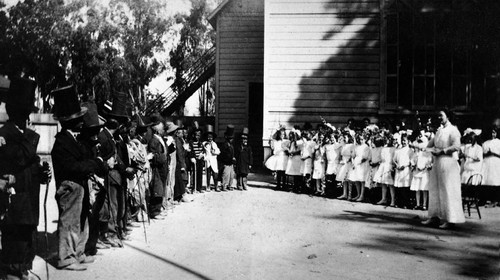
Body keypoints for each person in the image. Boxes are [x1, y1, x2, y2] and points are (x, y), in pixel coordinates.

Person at [0, 77, 51, 279]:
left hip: (28, 202)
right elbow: (20, 159)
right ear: (18, 114)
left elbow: (29, 166)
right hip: (15, 204)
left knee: (27, 241)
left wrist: (42, 172)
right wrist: (31, 136)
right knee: (15, 243)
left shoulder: (24, 135)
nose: (28, 117)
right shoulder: (5, 135)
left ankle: (22, 270)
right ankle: (13, 272)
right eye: (26, 113)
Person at [51, 85, 106, 270]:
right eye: (78, 119)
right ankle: (66, 257)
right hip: (69, 187)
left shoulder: (73, 139)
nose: (82, 122)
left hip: (79, 185)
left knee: (81, 219)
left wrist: (92, 163)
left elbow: (83, 161)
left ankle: (78, 252)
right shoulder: (62, 142)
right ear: (69, 122)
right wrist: (95, 163)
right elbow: (74, 166)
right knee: (70, 222)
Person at [422, 110, 465, 229]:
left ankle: (451, 219)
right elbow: (429, 145)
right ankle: (434, 217)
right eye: (438, 115)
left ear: (448, 116)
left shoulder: (453, 130)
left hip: (448, 163)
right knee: (435, 189)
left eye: (441, 115)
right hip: (437, 163)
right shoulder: (439, 130)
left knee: (448, 189)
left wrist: (441, 151)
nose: (439, 117)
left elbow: (456, 146)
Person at [148, 114, 168, 219]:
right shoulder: (153, 140)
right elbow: (153, 154)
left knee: (161, 188)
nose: (162, 127)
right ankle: (154, 211)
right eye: (160, 125)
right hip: (157, 167)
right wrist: (161, 157)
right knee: (157, 189)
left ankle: (159, 208)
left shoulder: (160, 138)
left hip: (163, 167)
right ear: (155, 128)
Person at [410, 133, 432, 210]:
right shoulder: (416, 153)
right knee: (417, 189)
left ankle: (424, 204)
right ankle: (418, 204)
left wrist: (425, 167)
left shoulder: (428, 153)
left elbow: (429, 161)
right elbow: (412, 160)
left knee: (424, 189)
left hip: (424, 172)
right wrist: (414, 165)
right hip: (417, 171)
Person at [374, 134, 396, 206]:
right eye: (386, 139)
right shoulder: (383, 148)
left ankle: (392, 200)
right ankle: (384, 199)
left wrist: (392, 166)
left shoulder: (394, 148)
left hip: (389, 166)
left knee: (390, 184)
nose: (388, 141)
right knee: (383, 183)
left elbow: (394, 159)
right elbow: (381, 158)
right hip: (383, 166)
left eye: (389, 139)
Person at [348, 131, 370, 202]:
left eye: (362, 139)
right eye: (359, 139)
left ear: (365, 139)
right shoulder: (356, 146)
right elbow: (354, 155)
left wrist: (358, 162)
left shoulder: (366, 147)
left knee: (362, 180)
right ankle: (358, 194)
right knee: (357, 179)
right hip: (356, 163)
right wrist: (354, 162)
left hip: (362, 164)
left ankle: (362, 195)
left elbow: (365, 157)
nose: (360, 141)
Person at [481, 127, 500, 206]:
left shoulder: (499, 142)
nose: (492, 134)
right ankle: (485, 199)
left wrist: (493, 153)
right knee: (486, 181)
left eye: (494, 132)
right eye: (491, 132)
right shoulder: (485, 143)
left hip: (495, 162)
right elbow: (481, 154)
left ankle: (495, 200)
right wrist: (487, 154)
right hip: (486, 162)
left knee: (495, 181)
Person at [393, 134, 413, 208]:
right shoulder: (398, 150)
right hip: (399, 169)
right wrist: (397, 165)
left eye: (404, 140)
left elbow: (411, 160)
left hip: (406, 170)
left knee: (405, 186)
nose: (403, 142)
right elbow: (394, 160)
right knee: (399, 187)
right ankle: (399, 202)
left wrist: (405, 166)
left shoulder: (410, 150)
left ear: (408, 141)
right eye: (402, 140)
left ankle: (406, 203)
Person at [336, 133, 354, 199]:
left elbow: (352, 155)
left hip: (349, 163)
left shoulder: (351, 145)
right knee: (344, 179)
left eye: (346, 137)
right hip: (343, 163)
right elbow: (341, 155)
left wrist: (348, 160)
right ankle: (344, 194)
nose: (345, 139)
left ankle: (349, 195)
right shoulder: (343, 146)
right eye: (344, 138)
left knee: (349, 179)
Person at [219, 125, 237, 191]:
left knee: (231, 174)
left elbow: (232, 153)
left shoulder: (231, 145)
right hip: (226, 162)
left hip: (231, 162)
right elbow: (224, 155)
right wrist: (230, 159)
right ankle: (224, 185)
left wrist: (233, 158)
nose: (231, 140)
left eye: (232, 138)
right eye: (230, 138)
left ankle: (230, 185)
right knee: (226, 174)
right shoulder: (225, 145)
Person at [189, 121, 205, 193]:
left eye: (199, 135)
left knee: (200, 173)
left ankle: (199, 187)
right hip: (194, 160)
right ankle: (194, 187)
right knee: (194, 174)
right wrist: (192, 157)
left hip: (200, 160)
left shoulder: (201, 143)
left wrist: (202, 154)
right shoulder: (191, 143)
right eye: (196, 135)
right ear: (193, 135)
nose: (197, 137)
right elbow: (191, 151)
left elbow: (203, 150)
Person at [203, 125, 220, 191]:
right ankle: (208, 186)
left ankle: (216, 186)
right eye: (208, 137)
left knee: (215, 174)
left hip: (213, 160)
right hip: (208, 161)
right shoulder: (204, 144)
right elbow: (203, 151)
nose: (209, 138)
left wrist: (214, 152)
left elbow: (218, 152)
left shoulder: (214, 144)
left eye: (211, 137)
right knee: (208, 174)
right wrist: (204, 157)